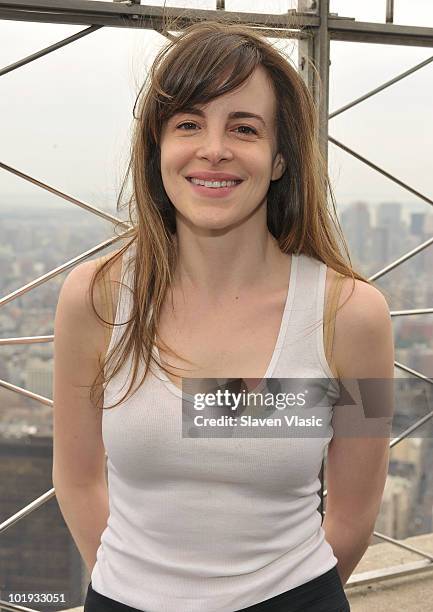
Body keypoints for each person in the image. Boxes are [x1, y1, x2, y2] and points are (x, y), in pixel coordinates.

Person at [52, 18, 395, 612]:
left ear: (280, 159)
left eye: (244, 127)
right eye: (189, 123)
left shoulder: (353, 316)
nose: (214, 148)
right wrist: (137, 590)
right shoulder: (95, 299)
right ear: (157, 146)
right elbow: (78, 479)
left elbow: (354, 511)